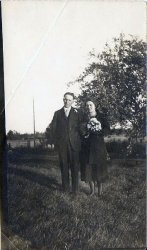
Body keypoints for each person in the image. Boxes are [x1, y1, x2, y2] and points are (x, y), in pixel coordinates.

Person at [49, 92, 81, 195]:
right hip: (62, 145)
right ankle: (66, 189)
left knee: (75, 167)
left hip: (74, 145)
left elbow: (82, 127)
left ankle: (75, 190)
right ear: (63, 100)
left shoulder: (78, 112)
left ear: (73, 101)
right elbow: (53, 129)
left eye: (69, 100)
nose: (67, 101)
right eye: (65, 99)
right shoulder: (57, 113)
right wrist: (53, 141)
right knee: (64, 166)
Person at [80, 99, 109, 196]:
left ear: (94, 106)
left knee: (99, 168)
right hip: (87, 147)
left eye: (90, 105)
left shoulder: (101, 117)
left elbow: (107, 129)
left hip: (98, 146)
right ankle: (92, 190)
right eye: (87, 105)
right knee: (88, 169)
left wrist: (98, 130)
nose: (89, 107)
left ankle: (100, 191)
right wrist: (85, 133)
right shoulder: (84, 118)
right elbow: (80, 129)